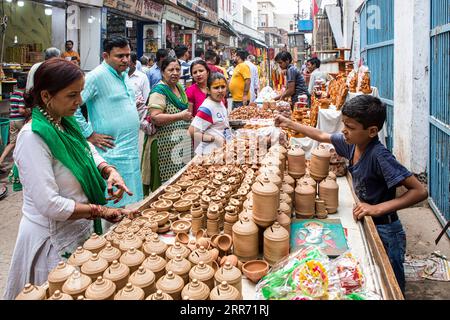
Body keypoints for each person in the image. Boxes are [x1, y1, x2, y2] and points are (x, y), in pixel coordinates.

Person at [3, 59, 137, 300]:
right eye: (72, 95)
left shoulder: (66, 123)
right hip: (50, 239)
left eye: (80, 94)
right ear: (46, 96)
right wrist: (100, 210)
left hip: (78, 227)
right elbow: (49, 204)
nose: (79, 102)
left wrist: (109, 171)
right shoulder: (33, 138)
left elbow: (87, 150)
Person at [274, 95, 428, 293]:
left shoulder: (379, 156)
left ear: (372, 131)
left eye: (350, 127)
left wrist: (377, 208)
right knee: (372, 275)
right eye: (343, 125)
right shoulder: (353, 144)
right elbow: (322, 135)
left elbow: (419, 191)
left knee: (391, 282)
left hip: (387, 229)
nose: (344, 131)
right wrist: (288, 123)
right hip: (369, 221)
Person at [74, 36, 143, 210]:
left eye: (128, 55)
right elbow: (72, 106)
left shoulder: (124, 75)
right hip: (111, 154)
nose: (126, 60)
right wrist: (88, 133)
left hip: (131, 152)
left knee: (132, 203)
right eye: (120, 56)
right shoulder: (95, 76)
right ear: (105, 56)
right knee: (113, 207)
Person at [143, 57, 193, 193]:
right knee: (164, 189)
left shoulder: (179, 88)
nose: (175, 73)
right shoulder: (159, 91)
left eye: (177, 69)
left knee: (181, 183)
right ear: (162, 71)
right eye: (171, 69)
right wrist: (180, 116)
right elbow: (155, 117)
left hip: (180, 144)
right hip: (163, 146)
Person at [188, 73, 231, 156]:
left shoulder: (220, 101)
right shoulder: (207, 108)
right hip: (208, 154)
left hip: (220, 151)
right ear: (208, 90)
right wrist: (214, 139)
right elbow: (191, 132)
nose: (220, 90)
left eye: (223, 87)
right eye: (216, 88)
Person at [0, 75, 29, 174]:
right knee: (25, 140)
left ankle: (1, 159)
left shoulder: (13, 95)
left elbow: (12, 108)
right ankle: (22, 164)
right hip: (20, 120)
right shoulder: (22, 95)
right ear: (26, 86)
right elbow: (21, 110)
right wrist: (28, 112)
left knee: (12, 142)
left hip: (11, 120)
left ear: (16, 84)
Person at [128, 52, 151, 161]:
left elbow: (147, 98)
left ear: (134, 64)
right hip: (123, 116)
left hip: (138, 116)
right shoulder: (119, 77)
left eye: (128, 63)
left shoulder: (142, 77)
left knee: (134, 144)